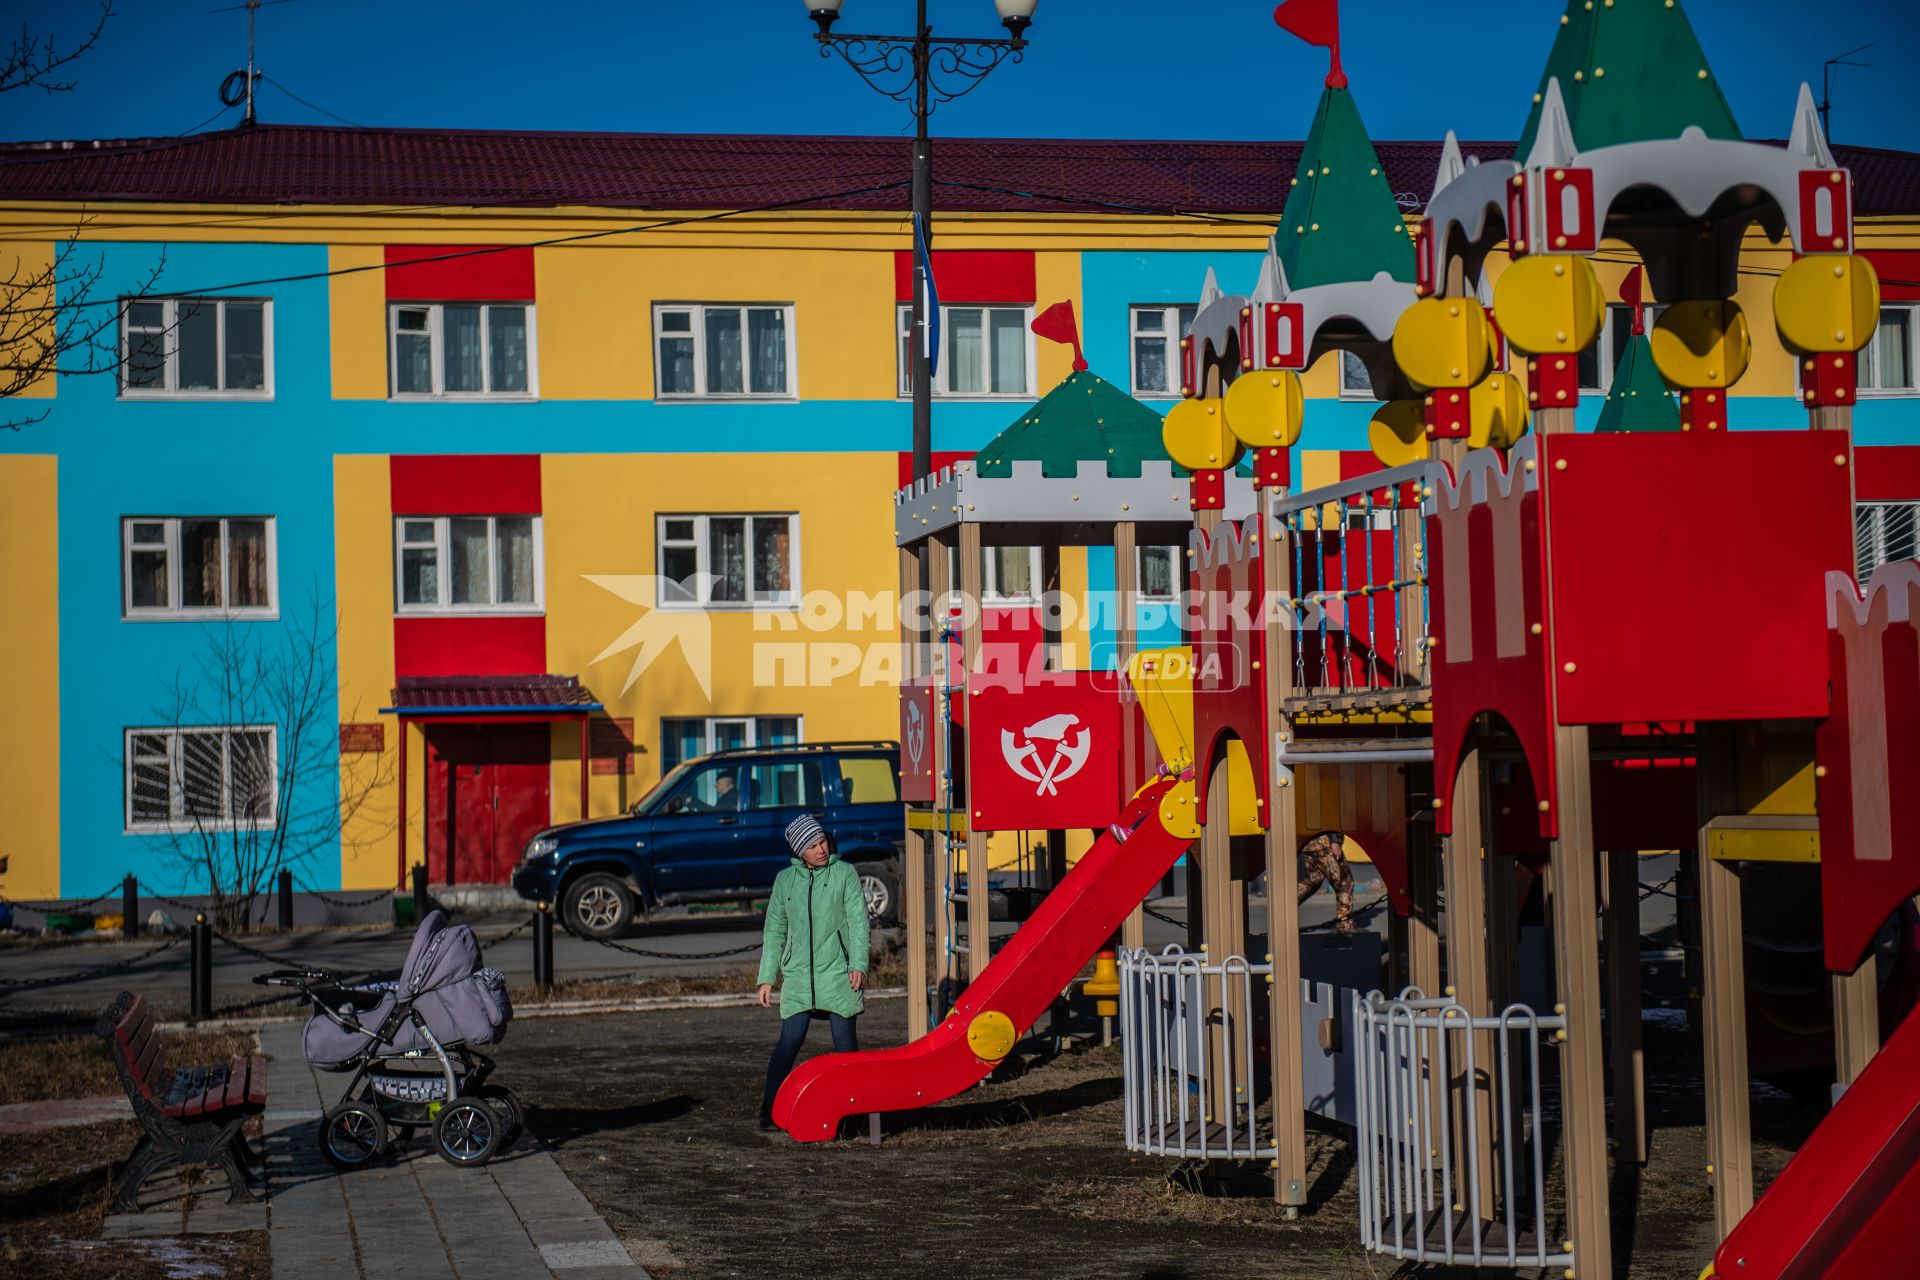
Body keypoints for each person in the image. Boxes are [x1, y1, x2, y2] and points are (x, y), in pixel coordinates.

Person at [755, 814, 869, 1129]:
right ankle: (769, 1109)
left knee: (846, 1047)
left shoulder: (845, 873)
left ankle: (855, 1113)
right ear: (798, 850)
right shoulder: (784, 881)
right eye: (812, 845)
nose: (821, 849)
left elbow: (859, 922)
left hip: (839, 973)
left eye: (822, 842)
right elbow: (774, 930)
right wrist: (767, 977)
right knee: (789, 1042)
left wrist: (858, 963)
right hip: (798, 977)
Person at [1297, 829, 1355, 936]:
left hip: (1307, 844)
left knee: (1309, 883)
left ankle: (1282, 913)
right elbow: (1331, 816)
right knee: (1344, 884)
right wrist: (1335, 841)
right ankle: (1344, 930)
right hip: (1325, 843)